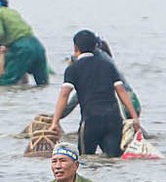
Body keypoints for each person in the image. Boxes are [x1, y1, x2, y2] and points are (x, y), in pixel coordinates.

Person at [52, 30, 139, 159]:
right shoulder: (108, 65)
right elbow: (121, 91)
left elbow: (64, 95)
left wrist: (55, 122)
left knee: (85, 160)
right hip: (113, 120)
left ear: (76, 47)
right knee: (113, 160)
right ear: (95, 47)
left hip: (91, 120)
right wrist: (134, 118)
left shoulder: (73, 69)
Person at [0, 4, 48, 87]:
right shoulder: (10, 11)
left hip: (22, 49)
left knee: (5, 83)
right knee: (43, 84)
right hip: (37, 46)